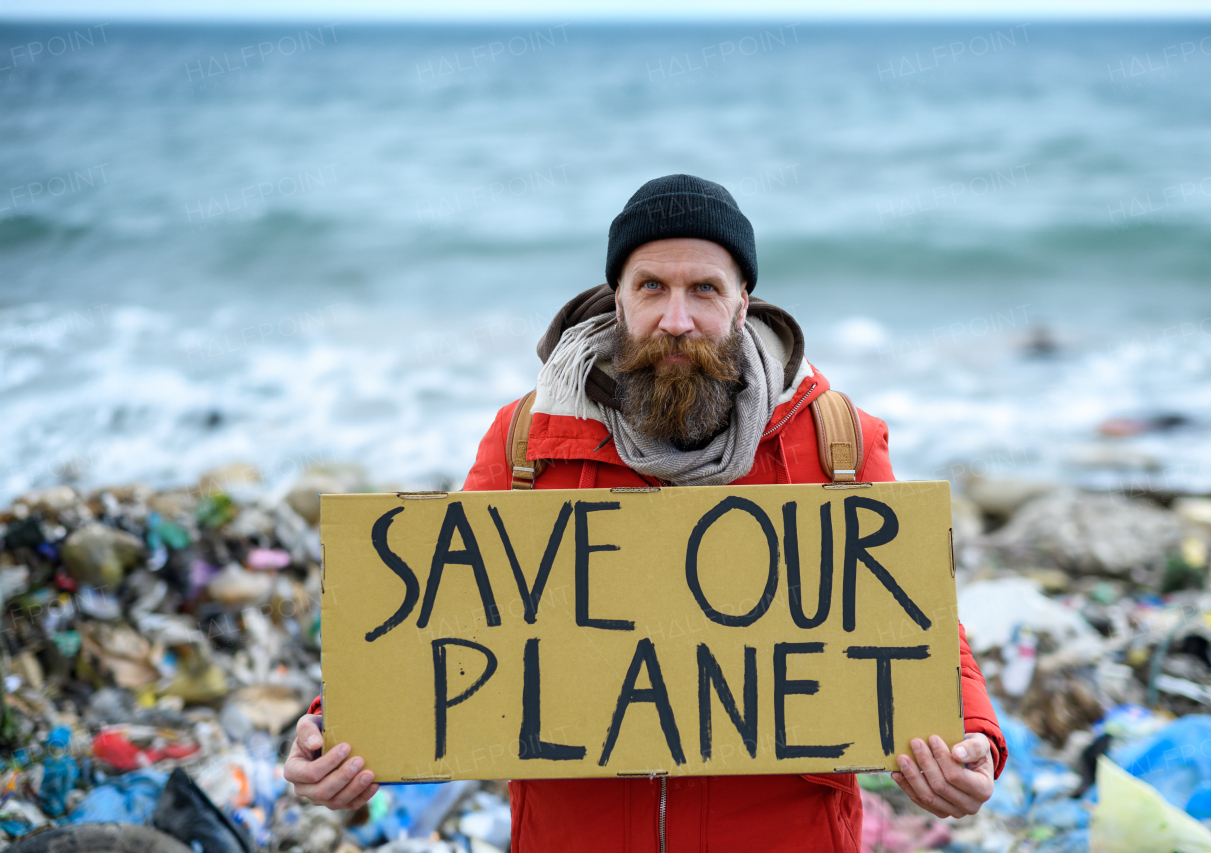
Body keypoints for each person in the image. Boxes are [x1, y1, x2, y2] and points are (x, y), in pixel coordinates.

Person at [285, 174, 1006, 851]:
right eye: (652, 286)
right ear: (618, 296)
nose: (676, 318)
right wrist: (335, 729)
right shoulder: (527, 439)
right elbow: (440, 620)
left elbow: (917, 617)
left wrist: (974, 736)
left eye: (704, 289)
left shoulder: (835, 440)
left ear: (743, 301)